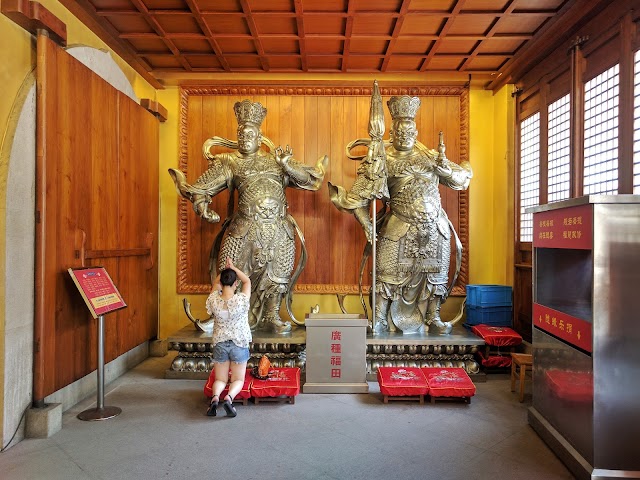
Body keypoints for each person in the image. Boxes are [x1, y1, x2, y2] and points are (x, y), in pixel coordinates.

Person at [169, 100, 328, 334]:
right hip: (244, 227)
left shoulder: (276, 159)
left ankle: (272, 315)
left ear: (259, 135)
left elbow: (312, 181)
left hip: (278, 227)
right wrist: (202, 205)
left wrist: (287, 166)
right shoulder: (229, 162)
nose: (245, 138)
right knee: (229, 271)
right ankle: (221, 315)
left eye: (250, 133)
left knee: (278, 274)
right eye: (240, 133)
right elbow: (202, 188)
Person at [329, 91, 472, 335]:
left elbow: (463, 179)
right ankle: (381, 319)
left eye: (410, 133)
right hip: (399, 226)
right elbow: (357, 199)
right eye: (399, 132)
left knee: (435, 275)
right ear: (392, 132)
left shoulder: (431, 157)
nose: (404, 137)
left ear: (416, 133)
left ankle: (433, 316)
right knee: (387, 275)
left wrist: (445, 170)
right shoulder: (382, 159)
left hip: (434, 227)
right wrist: (366, 224)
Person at [205, 258, 251, 417]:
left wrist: (224, 271)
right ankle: (229, 399)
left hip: (220, 344)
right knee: (238, 379)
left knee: (220, 379)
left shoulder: (213, 300)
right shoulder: (241, 300)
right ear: (235, 284)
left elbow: (216, 284)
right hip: (239, 343)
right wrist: (233, 268)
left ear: (222, 282)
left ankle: (215, 399)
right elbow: (247, 281)